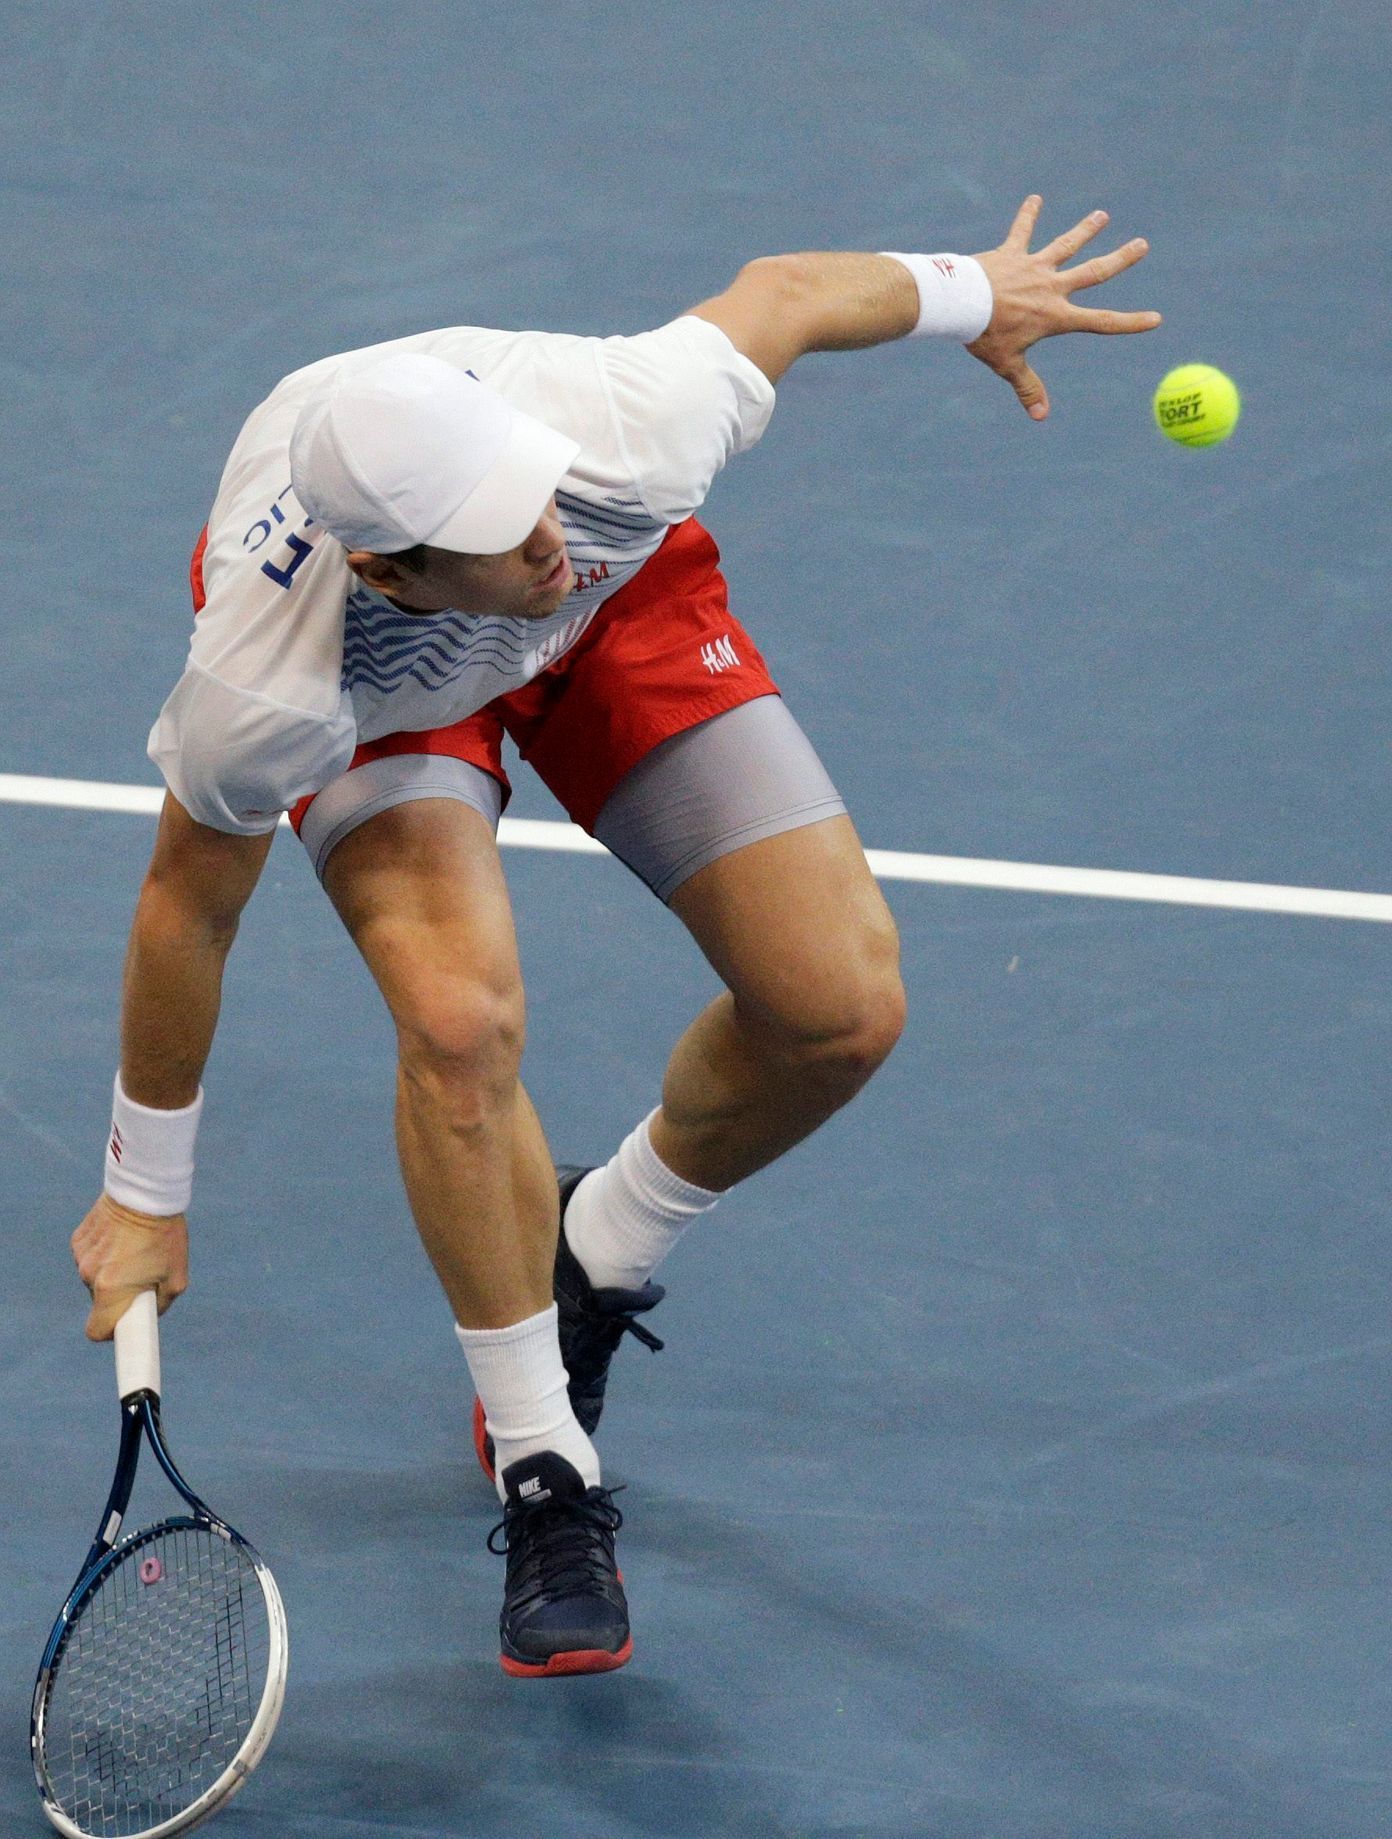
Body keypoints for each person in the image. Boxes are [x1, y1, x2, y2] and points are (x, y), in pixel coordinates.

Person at [71, 197, 1160, 1678]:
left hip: (617, 621)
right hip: (397, 702)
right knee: (458, 1025)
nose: (541, 538)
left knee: (837, 1012)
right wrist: (146, 1193)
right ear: (390, 567)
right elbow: (185, 906)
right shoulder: (267, 686)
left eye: (533, 501)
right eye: (496, 534)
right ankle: (547, 1474)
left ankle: (600, 1242)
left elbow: (786, 290)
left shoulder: (610, 442)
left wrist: (983, 295)